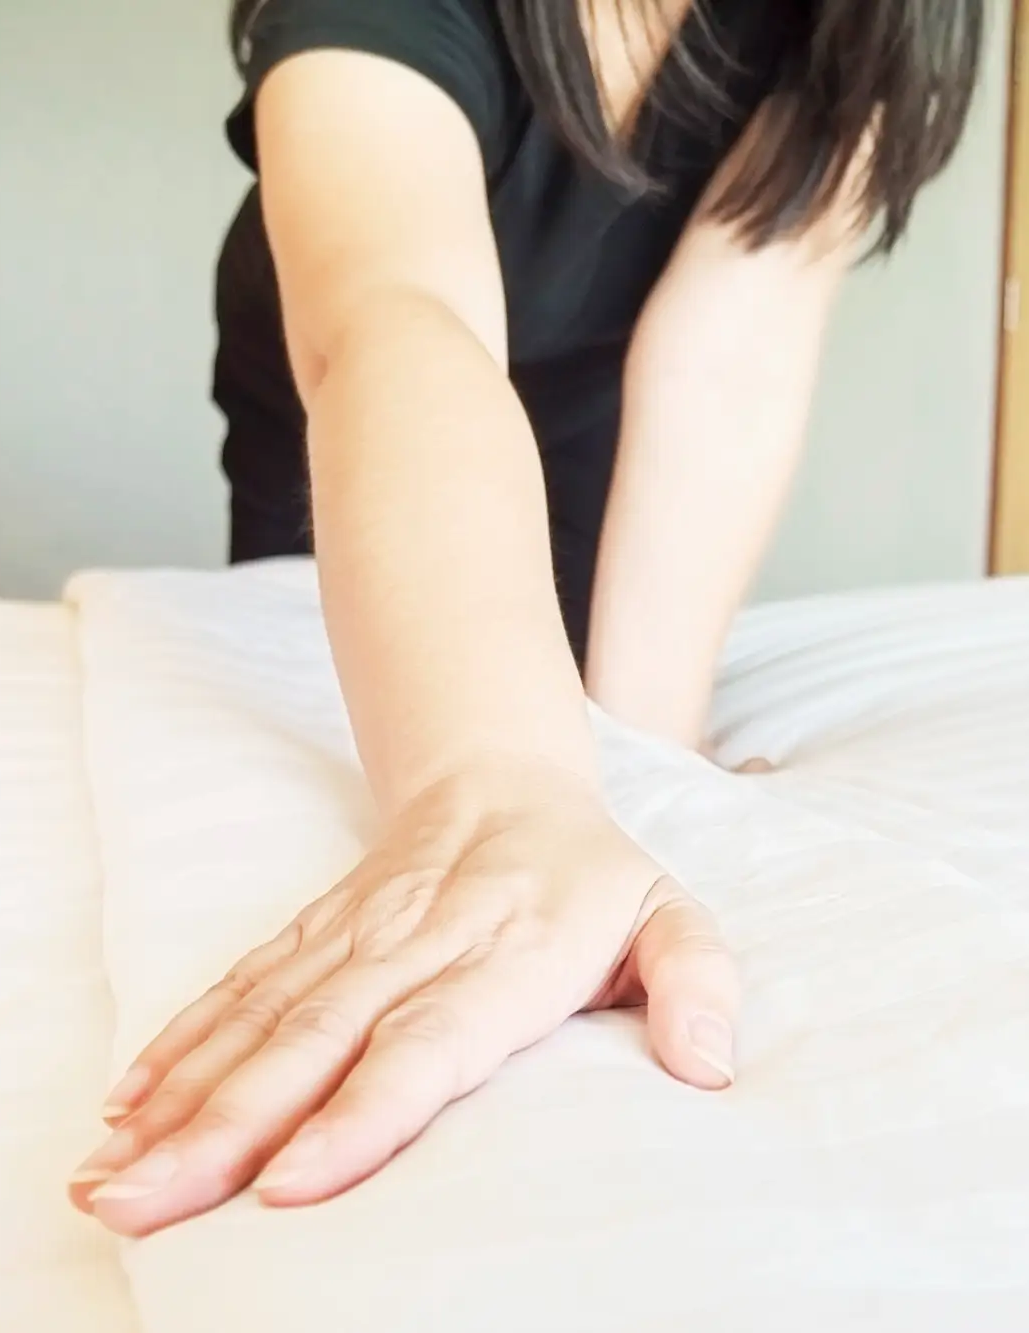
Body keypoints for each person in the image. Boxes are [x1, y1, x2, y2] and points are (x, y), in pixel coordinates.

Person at [68, 0, 982, 1236]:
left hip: (587, 445)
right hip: (369, 435)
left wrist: (643, 754)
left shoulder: (848, 26)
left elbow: (727, 356)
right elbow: (395, 315)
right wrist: (491, 787)